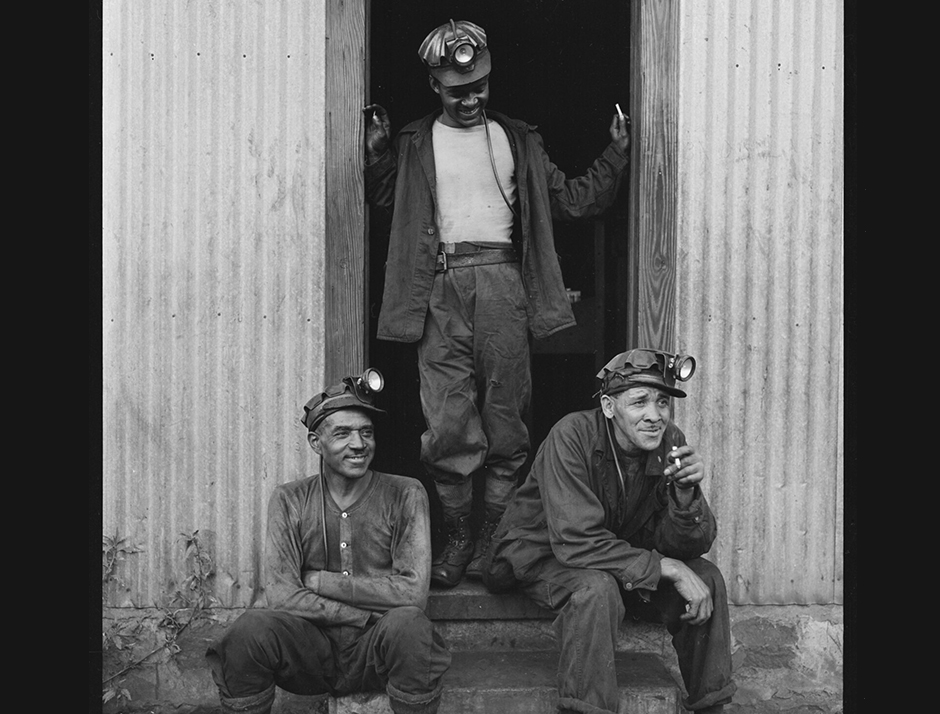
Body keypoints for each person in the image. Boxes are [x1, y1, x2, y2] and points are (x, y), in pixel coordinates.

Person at [362, 19, 631, 588]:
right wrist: (379, 156)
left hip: (504, 284)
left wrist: (616, 153)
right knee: (448, 422)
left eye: (479, 86)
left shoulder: (519, 139)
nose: (471, 98)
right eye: (457, 89)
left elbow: (574, 200)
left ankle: (494, 539)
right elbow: (388, 207)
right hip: (436, 289)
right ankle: (459, 537)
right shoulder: (414, 141)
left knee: (506, 418)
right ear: (435, 85)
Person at [481, 349, 736, 713]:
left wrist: (685, 496)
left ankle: (713, 706)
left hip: (613, 561)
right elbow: (574, 538)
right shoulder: (571, 435)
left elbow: (690, 544)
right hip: (538, 556)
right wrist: (670, 568)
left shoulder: (669, 442)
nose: (654, 415)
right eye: (640, 402)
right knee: (596, 588)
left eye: (663, 402)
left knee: (707, 576)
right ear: (609, 406)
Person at [205, 370, 451, 714]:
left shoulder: (405, 493)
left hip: (375, 650)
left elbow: (412, 594)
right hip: (310, 651)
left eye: (366, 432)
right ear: (316, 443)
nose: (359, 444)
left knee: (411, 626)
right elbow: (281, 595)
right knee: (248, 631)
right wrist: (359, 613)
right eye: (343, 433)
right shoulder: (290, 499)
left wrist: (320, 581)